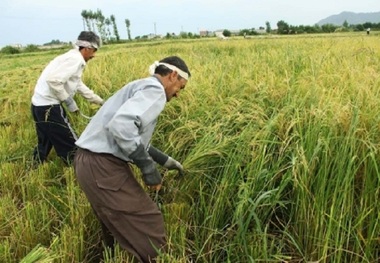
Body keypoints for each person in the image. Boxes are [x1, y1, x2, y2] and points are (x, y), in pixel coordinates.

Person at [74, 56, 191, 262]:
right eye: (180, 87)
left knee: (115, 225)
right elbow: (121, 126)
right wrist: (147, 168)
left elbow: (133, 136)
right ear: (173, 75)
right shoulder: (155, 91)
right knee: (148, 220)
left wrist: (166, 161)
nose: (178, 94)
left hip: (88, 163)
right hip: (102, 165)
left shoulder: (140, 86)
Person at [31, 31, 104, 165]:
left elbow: (78, 84)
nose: (94, 55)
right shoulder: (75, 60)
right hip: (49, 106)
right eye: (94, 50)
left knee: (45, 140)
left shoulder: (71, 57)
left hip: (38, 105)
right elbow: (53, 81)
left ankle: (35, 165)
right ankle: (80, 168)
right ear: (87, 48)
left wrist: (99, 101)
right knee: (69, 142)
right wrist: (69, 101)